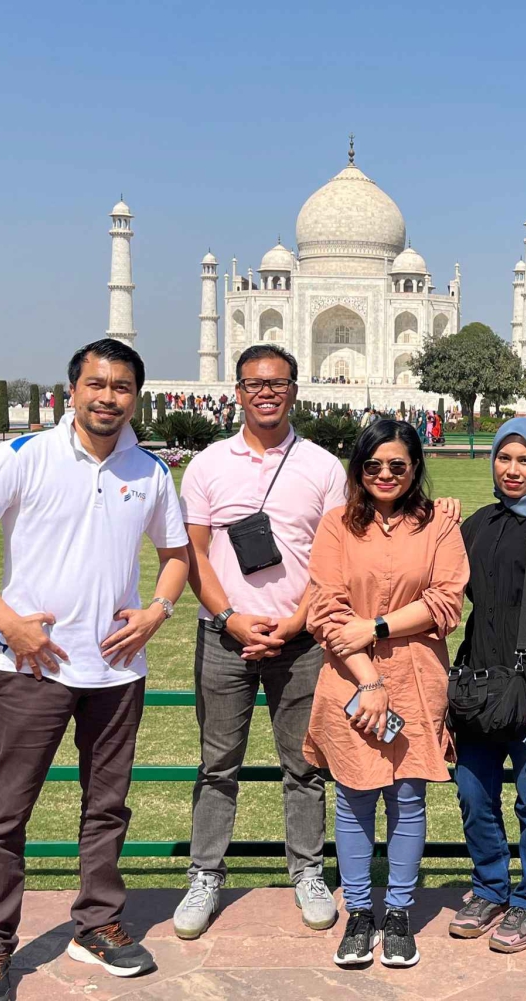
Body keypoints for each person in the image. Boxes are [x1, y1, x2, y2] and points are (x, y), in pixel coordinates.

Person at [0, 339, 190, 1001]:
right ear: (71, 390)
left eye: (122, 387)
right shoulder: (25, 456)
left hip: (116, 668)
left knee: (107, 807)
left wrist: (157, 610)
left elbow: (177, 554)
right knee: (8, 812)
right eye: (96, 384)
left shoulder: (150, 470)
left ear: (136, 398)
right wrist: (8, 620)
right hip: (33, 667)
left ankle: (97, 923)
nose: (108, 397)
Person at [173, 344, 348, 939]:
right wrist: (231, 619)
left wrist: (297, 622)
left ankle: (307, 870)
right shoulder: (208, 465)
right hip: (225, 637)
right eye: (254, 383)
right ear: (238, 392)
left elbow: (333, 560)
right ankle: (205, 874)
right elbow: (194, 553)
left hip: (301, 640)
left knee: (304, 765)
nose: (266, 392)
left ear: (294, 390)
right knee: (218, 763)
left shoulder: (322, 467)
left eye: (276, 383)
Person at [303, 419, 468, 969]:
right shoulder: (336, 525)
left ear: (415, 467)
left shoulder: (438, 525)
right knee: (354, 797)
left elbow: (446, 602)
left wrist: (375, 627)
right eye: (373, 465)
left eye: (397, 464)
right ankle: (359, 913)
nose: (385, 474)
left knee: (407, 798)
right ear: (359, 469)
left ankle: (398, 912)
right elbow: (326, 611)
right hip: (350, 678)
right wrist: (369, 679)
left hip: (417, 678)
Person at [448, 418, 526, 953]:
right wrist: (437, 521)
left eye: (525, 460)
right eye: (505, 458)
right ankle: (489, 888)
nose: (513, 470)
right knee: (472, 793)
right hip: (479, 684)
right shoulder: (479, 524)